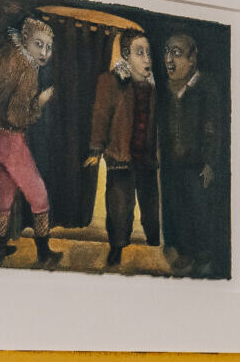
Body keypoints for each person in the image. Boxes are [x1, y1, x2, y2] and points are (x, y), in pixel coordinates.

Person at [0, 15, 60, 265]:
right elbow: (17, 116)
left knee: (1, 192)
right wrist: (40, 102)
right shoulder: (26, 68)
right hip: (9, 139)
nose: (44, 52)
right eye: (39, 44)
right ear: (26, 41)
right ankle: (44, 252)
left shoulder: (4, 56)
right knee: (38, 193)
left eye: (49, 47)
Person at [86, 31, 161, 272]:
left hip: (147, 157)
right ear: (126, 56)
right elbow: (100, 116)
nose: (146, 58)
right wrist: (96, 149)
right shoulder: (111, 81)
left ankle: (154, 241)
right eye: (140, 53)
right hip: (121, 155)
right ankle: (116, 247)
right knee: (119, 205)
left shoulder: (154, 86)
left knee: (150, 202)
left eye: (148, 53)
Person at [156, 31, 222, 277]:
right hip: (172, 162)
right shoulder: (164, 88)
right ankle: (184, 251)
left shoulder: (205, 87)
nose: (169, 59)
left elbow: (212, 128)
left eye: (177, 53)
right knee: (177, 205)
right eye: (167, 51)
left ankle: (203, 253)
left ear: (192, 59)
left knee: (197, 207)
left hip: (195, 163)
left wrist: (209, 162)